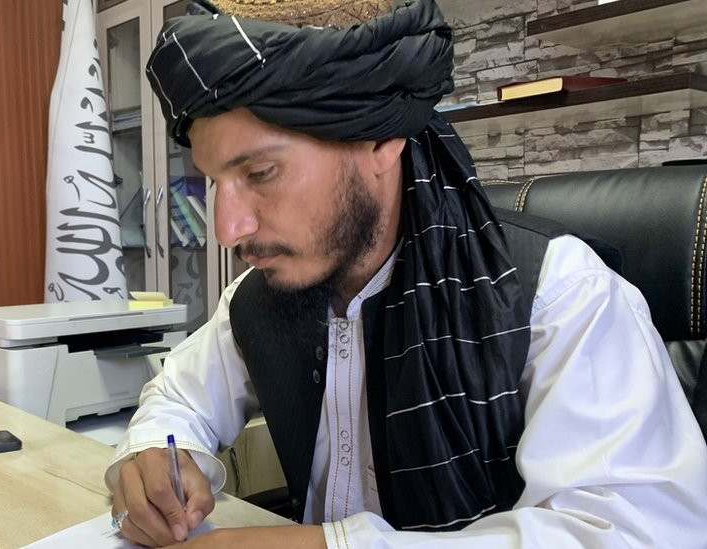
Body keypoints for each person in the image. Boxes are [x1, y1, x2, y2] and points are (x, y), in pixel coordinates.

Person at [103, 0, 707, 547]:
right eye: (215, 182)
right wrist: (154, 451)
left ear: (380, 140)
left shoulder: (559, 294)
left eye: (259, 173)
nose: (226, 226)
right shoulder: (262, 298)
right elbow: (179, 397)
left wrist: (331, 546)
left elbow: (637, 530)